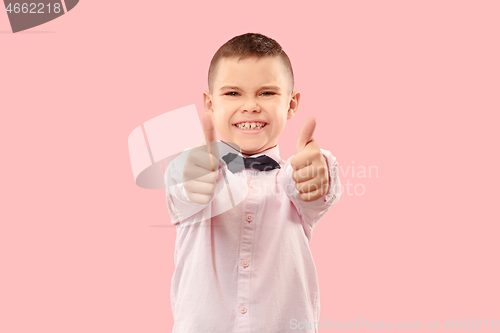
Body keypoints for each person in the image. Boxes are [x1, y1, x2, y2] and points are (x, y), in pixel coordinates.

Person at [164, 32, 341, 333]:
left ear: (291, 104)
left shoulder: (294, 179)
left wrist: (319, 167)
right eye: (233, 93)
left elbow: (312, 187)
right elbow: (185, 185)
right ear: (209, 104)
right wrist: (195, 176)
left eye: (267, 93)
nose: (250, 106)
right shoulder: (192, 168)